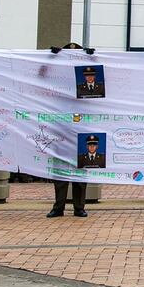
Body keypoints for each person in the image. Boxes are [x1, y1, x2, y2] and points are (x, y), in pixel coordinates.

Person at [51, 43, 91, 218]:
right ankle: (58, 207)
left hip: (82, 132)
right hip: (61, 131)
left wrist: (92, 57)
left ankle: (79, 207)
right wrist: (52, 57)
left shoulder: (88, 83)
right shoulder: (57, 81)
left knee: (80, 173)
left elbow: (105, 76)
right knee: (60, 173)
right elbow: (40, 76)